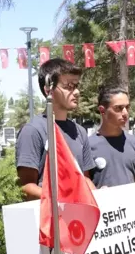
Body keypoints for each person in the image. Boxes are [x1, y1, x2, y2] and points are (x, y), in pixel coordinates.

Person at [16, 58, 95, 200]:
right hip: (49, 218)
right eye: (69, 86)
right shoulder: (33, 131)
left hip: (78, 217)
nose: (76, 92)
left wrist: (100, 197)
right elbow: (26, 187)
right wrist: (62, 200)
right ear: (48, 90)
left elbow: (86, 179)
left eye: (77, 86)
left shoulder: (80, 132)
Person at [89, 87, 135, 187]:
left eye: (127, 107)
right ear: (102, 110)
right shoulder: (88, 145)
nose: (125, 113)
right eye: (119, 108)